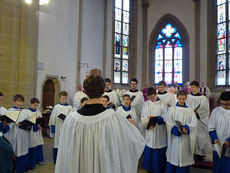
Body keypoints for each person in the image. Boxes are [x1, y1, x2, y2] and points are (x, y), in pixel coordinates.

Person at [55, 74, 145, 173]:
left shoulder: (70, 120)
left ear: (85, 92)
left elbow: (64, 155)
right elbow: (136, 143)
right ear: (103, 91)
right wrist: (132, 127)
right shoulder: (114, 118)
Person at [165, 90, 197, 173]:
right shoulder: (172, 109)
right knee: (174, 156)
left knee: (184, 157)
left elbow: (194, 123)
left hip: (186, 138)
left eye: (183, 99)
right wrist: (176, 129)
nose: (181, 100)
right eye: (180, 98)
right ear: (177, 98)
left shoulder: (190, 110)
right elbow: (168, 122)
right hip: (175, 138)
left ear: (186, 98)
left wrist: (186, 127)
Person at [141, 87, 168, 173]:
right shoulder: (146, 104)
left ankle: (159, 169)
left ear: (156, 94)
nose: (151, 99)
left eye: (152, 97)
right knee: (149, 148)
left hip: (160, 131)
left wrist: (157, 119)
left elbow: (167, 117)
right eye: (149, 98)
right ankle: (149, 169)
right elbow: (143, 116)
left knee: (159, 151)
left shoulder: (162, 104)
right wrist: (147, 121)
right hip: (150, 130)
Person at [186, 80, 212, 161]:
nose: (192, 89)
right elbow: (186, 108)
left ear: (197, 87)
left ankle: (201, 154)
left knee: (200, 137)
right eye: (191, 87)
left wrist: (198, 113)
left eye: (193, 87)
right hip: (191, 121)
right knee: (192, 137)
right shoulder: (188, 97)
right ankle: (193, 153)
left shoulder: (203, 98)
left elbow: (206, 110)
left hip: (200, 121)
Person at [5, 94, 31, 173]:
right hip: (14, 135)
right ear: (14, 101)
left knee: (22, 153)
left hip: (23, 135)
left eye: (22, 101)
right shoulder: (10, 111)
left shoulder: (25, 111)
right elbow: (7, 123)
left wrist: (29, 125)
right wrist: (16, 123)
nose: (20, 103)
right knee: (14, 153)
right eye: (18, 101)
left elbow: (29, 122)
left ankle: (21, 169)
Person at [208, 91, 230, 173]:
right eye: (222, 104)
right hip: (218, 146)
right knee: (217, 168)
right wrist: (214, 138)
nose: (224, 106)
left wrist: (229, 140)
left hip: (228, 148)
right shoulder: (216, 111)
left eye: (227, 104)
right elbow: (211, 127)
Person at [48, 91, 73, 164]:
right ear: (59, 98)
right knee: (57, 144)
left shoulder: (69, 107)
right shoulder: (56, 107)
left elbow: (71, 118)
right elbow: (52, 118)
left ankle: (64, 161)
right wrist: (53, 128)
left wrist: (66, 119)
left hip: (66, 129)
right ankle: (56, 161)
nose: (64, 100)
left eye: (65, 99)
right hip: (58, 128)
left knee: (65, 144)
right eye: (62, 99)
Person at [27, 98, 44, 169]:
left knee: (38, 146)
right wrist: (35, 126)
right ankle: (31, 164)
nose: (35, 107)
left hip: (38, 132)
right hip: (31, 133)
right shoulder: (27, 112)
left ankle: (37, 160)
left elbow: (41, 119)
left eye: (36, 105)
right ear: (30, 104)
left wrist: (41, 124)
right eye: (34, 105)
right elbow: (27, 123)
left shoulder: (38, 111)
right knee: (32, 147)